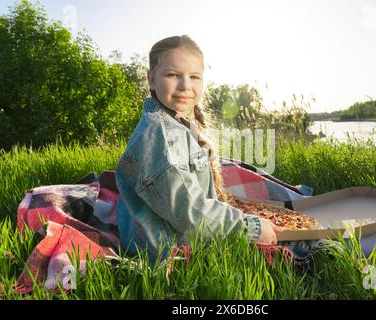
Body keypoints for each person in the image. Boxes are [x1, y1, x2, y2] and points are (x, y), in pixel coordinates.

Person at [115, 35, 283, 265]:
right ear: (151, 79)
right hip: (167, 246)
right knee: (287, 247)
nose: (185, 85)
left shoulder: (178, 123)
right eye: (173, 75)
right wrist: (250, 228)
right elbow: (189, 210)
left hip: (182, 227)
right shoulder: (159, 133)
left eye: (194, 77)